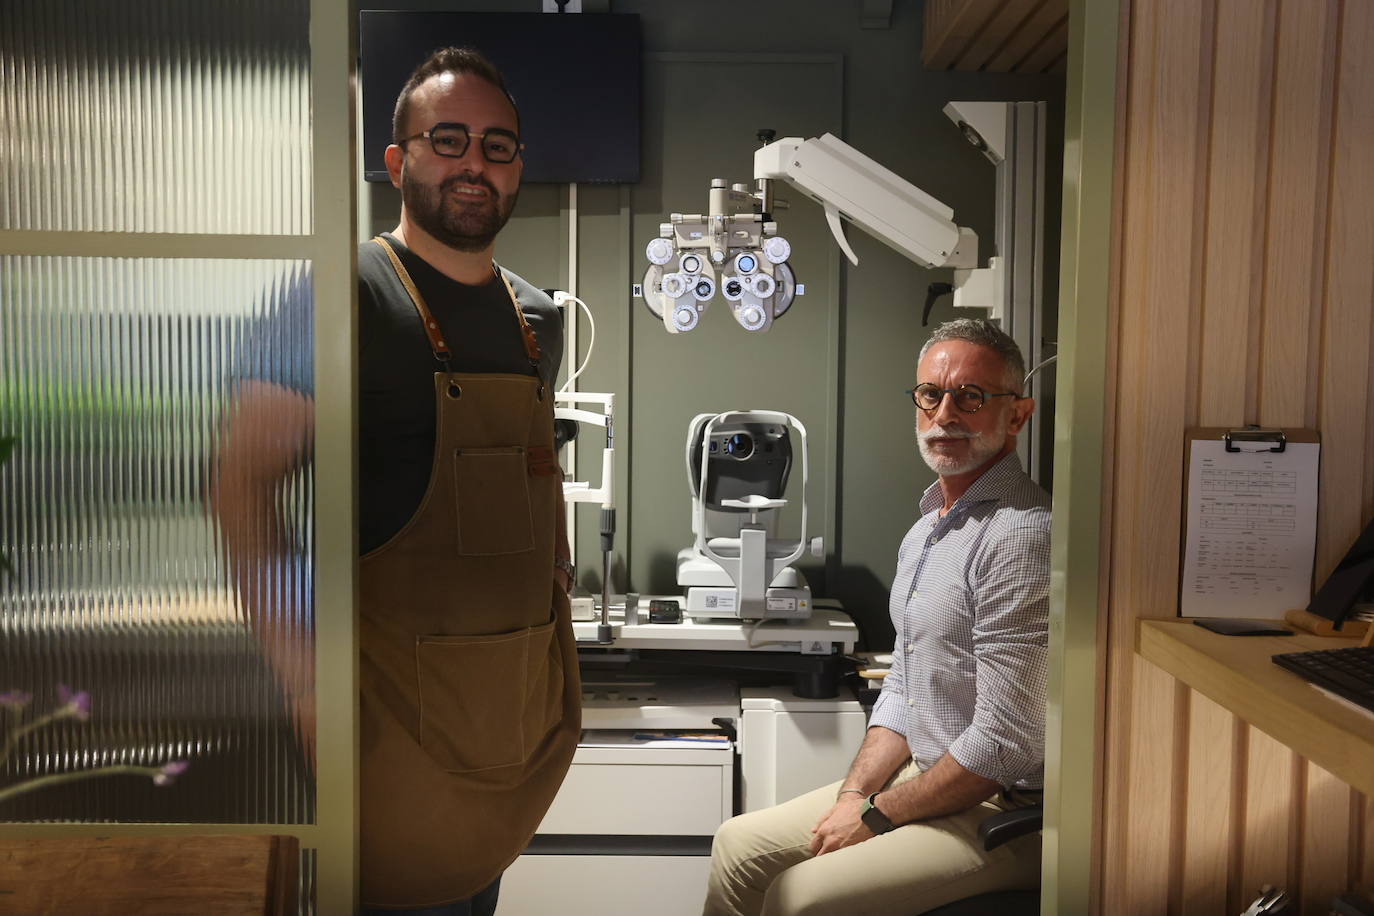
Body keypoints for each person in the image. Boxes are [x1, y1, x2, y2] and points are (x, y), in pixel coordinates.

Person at [214, 46, 579, 915]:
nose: (474, 164)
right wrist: (302, 681)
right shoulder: (336, 296)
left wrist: (557, 592)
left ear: (519, 166)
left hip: (503, 728)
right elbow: (238, 489)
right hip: (381, 726)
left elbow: (538, 473)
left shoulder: (537, 320)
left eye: (498, 145)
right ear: (397, 160)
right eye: (447, 139)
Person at [703, 318, 1050, 915]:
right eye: (931, 395)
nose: (946, 414)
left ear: (1017, 414)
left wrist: (876, 815)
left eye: (972, 396)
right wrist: (855, 794)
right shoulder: (925, 532)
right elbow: (903, 687)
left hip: (1005, 809)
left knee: (800, 894)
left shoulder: (1020, 533)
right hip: (930, 774)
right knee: (737, 845)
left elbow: (1004, 744)